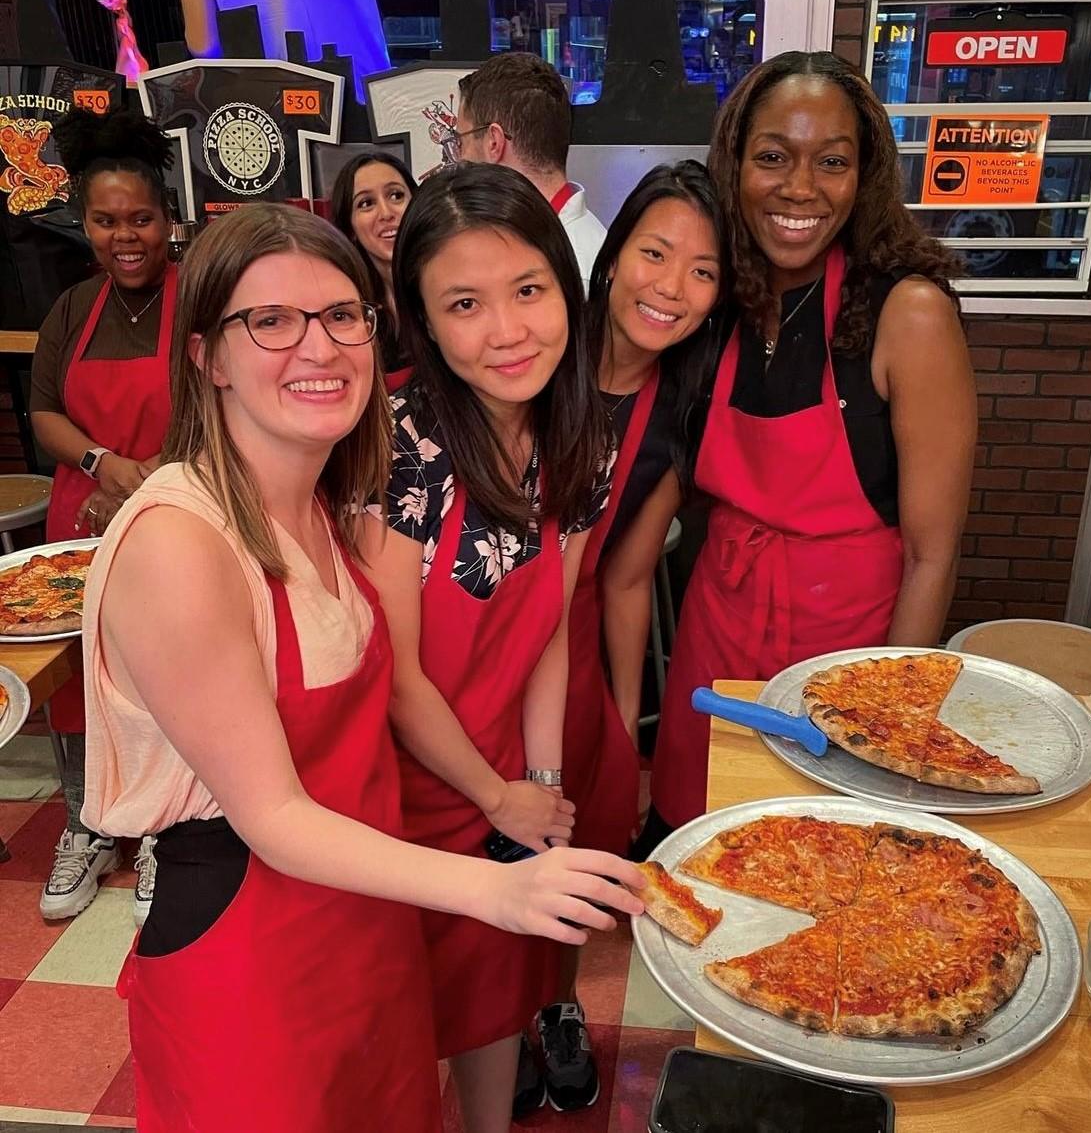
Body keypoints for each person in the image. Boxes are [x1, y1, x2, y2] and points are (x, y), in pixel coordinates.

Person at [81, 201, 643, 1133]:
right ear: (205, 358)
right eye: (270, 321)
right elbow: (272, 817)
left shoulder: (322, 498)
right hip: (248, 955)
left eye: (342, 315)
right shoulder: (178, 542)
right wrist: (497, 885)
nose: (318, 346)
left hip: (364, 922)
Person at [645, 51, 977, 843]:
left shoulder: (910, 315)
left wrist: (890, 729)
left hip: (846, 656)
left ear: (862, 176)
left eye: (831, 162)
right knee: (693, 849)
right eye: (772, 157)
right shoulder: (716, 298)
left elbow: (933, 555)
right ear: (734, 167)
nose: (800, 188)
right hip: (716, 643)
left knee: (815, 873)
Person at [365, 161, 613, 1133]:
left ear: (564, 286)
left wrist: (537, 783)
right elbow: (396, 677)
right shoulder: (401, 447)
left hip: (503, 781)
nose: (507, 331)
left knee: (487, 1008)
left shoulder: (576, 438)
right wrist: (496, 793)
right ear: (423, 322)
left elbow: (548, 626)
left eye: (528, 290)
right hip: (398, 801)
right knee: (393, 1031)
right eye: (465, 303)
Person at [528, 160, 727, 1114]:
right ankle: (468, 1021)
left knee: (564, 836)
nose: (671, 287)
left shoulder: (677, 413)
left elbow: (628, 572)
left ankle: (555, 1006)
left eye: (702, 271)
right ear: (610, 262)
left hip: (567, 647)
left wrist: (617, 714)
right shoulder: (532, 347)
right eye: (655, 253)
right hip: (469, 629)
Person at [29, 104, 176, 925]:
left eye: (142, 219)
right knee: (83, 681)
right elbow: (45, 410)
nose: (126, 236)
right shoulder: (72, 307)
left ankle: (161, 825)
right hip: (81, 519)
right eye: (107, 220)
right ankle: (89, 822)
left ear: (168, 220)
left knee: (166, 673)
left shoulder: (197, 299)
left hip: (175, 517)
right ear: (84, 224)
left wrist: (162, 472)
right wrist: (102, 462)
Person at [453, 52, 606, 288]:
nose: (460, 158)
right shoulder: (544, 238)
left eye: (461, 142)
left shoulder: (572, 275)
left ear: (494, 142)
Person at [329, 150, 417, 368]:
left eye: (396, 195)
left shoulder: (447, 287)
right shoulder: (347, 307)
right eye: (366, 203)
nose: (386, 213)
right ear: (350, 228)